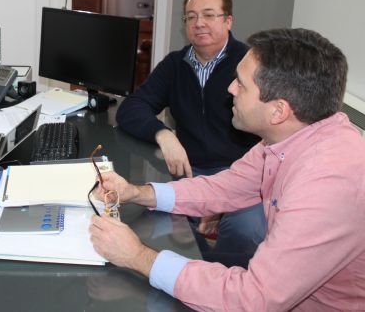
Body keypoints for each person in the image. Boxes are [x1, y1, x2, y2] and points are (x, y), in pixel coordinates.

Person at [90, 28, 365, 310]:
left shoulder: (327, 182)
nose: (230, 88)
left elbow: (253, 299)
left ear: (278, 111)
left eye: (241, 85)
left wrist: (137, 256)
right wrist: (137, 193)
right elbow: (226, 187)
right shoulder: (289, 137)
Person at [116, 0, 263, 266]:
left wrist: (222, 198)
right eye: (191, 16)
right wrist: (164, 134)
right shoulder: (175, 64)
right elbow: (131, 108)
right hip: (187, 169)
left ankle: (226, 282)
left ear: (228, 20)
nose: (199, 23)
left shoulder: (249, 65)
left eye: (209, 15)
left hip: (240, 172)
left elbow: (269, 134)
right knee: (151, 223)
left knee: (246, 230)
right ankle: (190, 272)